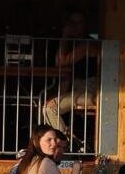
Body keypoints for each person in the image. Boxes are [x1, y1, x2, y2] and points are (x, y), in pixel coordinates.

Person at [43, 10, 101, 139]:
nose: (75, 26)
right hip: (76, 91)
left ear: (85, 25)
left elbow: (61, 62)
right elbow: (63, 67)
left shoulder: (89, 44)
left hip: (91, 91)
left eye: (79, 23)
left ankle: (64, 144)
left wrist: (65, 35)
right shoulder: (72, 44)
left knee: (49, 108)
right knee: (47, 106)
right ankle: (65, 140)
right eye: (72, 23)